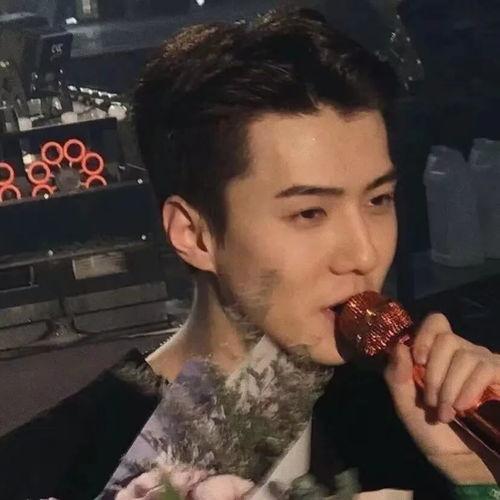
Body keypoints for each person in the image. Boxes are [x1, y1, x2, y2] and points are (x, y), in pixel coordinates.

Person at [0, 8, 498, 500]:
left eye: (378, 200)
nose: (364, 253)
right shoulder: (53, 471)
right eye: (309, 213)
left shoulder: (412, 414)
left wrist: (475, 475)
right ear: (195, 235)